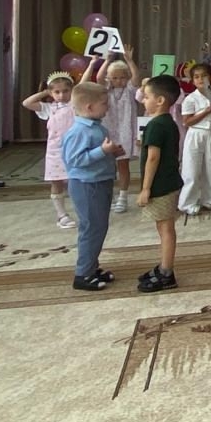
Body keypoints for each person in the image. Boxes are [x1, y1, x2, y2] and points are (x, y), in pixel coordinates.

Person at [60, 81, 124, 291]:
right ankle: (82, 274)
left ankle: (91, 267)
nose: (108, 107)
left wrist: (111, 152)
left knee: (99, 226)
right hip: (86, 185)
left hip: (100, 181)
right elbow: (74, 160)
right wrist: (102, 151)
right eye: (104, 104)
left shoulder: (97, 127)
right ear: (89, 107)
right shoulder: (79, 131)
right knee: (91, 228)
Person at [23, 64, 97, 229]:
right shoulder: (48, 108)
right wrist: (46, 92)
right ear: (52, 93)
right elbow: (27, 103)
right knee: (57, 182)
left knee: (78, 181)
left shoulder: (75, 106)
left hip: (76, 149)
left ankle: (84, 211)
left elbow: (83, 83)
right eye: (57, 92)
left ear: (72, 91)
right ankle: (61, 215)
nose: (62, 95)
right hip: (56, 152)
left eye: (65, 91)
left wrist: (92, 64)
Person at [136, 74, 183, 292]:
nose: (143, 101)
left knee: (165, 229)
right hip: (169, 181)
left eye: (147, 97)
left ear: (160, 100)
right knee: (164, 226)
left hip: (161, 185)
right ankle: (164, 266)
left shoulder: (156, 125)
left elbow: (153, 158)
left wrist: (145, 188)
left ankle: (166, 272)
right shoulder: (168, 123)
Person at [97, 50, 140, 213]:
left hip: (125, 131)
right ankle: (109, 195)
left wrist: (129, 61)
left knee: (123, 165)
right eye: (114, 77)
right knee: (107, 166)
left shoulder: (130, 89)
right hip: (108, 131)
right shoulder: (106, 90)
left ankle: (123, 196)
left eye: (122, 77)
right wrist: (107, 60)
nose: (118, 80)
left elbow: (136, 78)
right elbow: (99, 78)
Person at [180, 63, 211, 215]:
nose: (200, 79)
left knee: (210, 167)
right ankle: (187, 203)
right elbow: (187, 121)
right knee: (191, 168)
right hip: (196, 134)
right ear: (192, 80)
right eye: (196, 77)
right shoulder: (191, 99)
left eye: (204, 76)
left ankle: (209, 200)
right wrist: (205, 111)